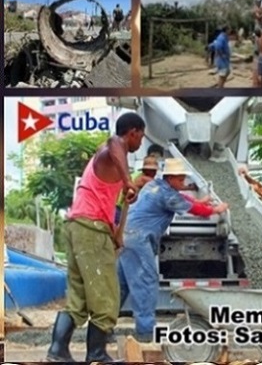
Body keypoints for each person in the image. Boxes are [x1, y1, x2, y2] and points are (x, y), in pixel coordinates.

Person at [46, 113, 145, 362]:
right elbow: (115, 143)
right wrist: (128, 181)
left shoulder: (108, 161)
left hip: (79, 225)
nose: (140, 143)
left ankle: (57, 351)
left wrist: (115, 233)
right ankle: (97, 355)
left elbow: (101, 202)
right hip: (89, 229)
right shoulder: (112, 147)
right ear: (132, 132)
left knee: (78, 297)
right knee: (107, 295)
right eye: (140, 137)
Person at [117, 158, 228, 342]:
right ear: (171, 178)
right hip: (138, 239)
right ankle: (145, 334)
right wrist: (216, 209)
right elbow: (192, 209)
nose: (183, 182)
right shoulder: (167, 195)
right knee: (146, 282)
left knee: (121, 285)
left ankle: (101, 328)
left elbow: (183, 198)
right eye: (180, 179)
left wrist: (202, 200)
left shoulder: (154, 185)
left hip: (127, 235)